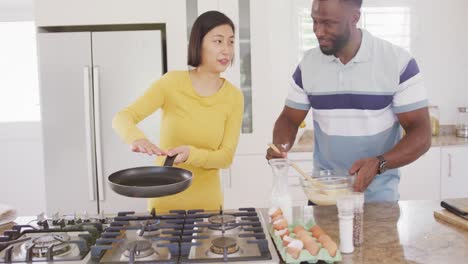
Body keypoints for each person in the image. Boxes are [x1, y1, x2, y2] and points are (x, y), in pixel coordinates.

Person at [266, 0, 431, 202]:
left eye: (328, 23)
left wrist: (379, 163)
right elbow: (290, 118)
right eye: (314, 21)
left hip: (377, 203)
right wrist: (280, 146)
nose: (318, 31)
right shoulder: (308, 64)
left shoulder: (398, 62)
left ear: (354, 17)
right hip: (323, 198)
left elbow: (421, 134)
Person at [113, 11, 244, 211]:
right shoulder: (171, 83)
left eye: (231, 42)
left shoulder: (234, 97)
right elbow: (122, 117)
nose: (226, 50)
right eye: (218, 41)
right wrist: (136, 138)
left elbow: (225, 157)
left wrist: (191, 154)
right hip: (164, 202)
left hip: (207, 205)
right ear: (198, 44)